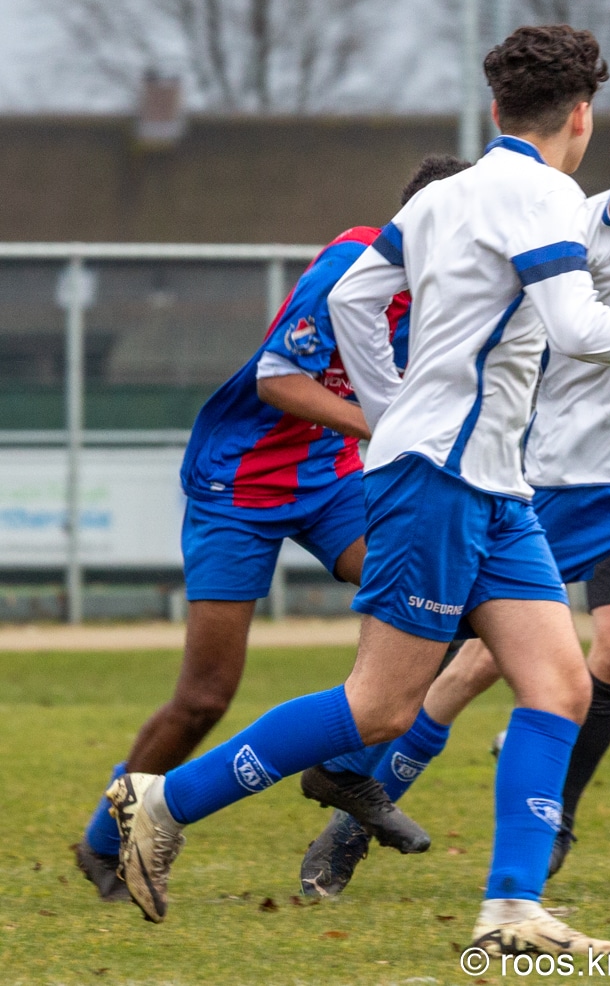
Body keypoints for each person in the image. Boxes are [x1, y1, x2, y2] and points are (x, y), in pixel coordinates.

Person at [106, 25, 610, 961]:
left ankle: (512, 912)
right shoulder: (549, 196)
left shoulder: (445, 194)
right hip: (441, 480)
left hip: (489, 482)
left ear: (496, 109)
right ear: (584, 117)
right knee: (380, 707)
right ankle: (162, 801)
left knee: (559, 685)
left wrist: (395, 407)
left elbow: (355, 300)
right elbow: (576, 326)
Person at [72, 154, 470, 902]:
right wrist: (382, 429)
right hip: (238, 483)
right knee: (205, 696)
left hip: (328, 477)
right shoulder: (353, 268)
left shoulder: (448, 295)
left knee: (439, 597)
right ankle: (105, 839)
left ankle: (342, 772)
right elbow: (277, 379)